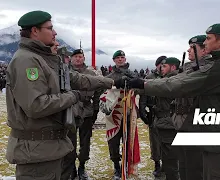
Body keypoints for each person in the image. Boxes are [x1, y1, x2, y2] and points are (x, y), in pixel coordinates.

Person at [124, 23, 220, 180]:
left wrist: (142, 84)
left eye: (208, 39)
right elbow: (177, 80)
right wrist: (142, 85)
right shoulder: (219, 64)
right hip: (210, 139)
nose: (206, 42)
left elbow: (179, 85)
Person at [5, 10, 117, 180]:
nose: (55, 33)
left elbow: (79, 79)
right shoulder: (27, 61)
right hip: (36, 152)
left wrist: (112, 82)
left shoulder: (45, 59)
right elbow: (36, 105)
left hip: (48, 148)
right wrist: (73, 96)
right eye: (50, 28)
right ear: (35, 31)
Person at [61, 49, 101, 180]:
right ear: (71, 59)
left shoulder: (91, 73)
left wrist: (95, 110)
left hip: (87, 111)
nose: (78, 59)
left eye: (80, 57)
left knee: (85, 143)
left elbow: (97, 93)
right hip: (71, 111)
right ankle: (71, 168)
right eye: (75, 57)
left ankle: (82, 167)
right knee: (70, 142)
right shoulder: (65, 73)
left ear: (84, 58)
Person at [174, 35, 211, 180]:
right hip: (184, 125)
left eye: (193, 47)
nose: (188, 50)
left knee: (195, 170)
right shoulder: (189, 69)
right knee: (183, 167)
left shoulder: (206, 69)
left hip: (196, 127)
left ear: (204, 50)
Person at [105, 50, 136, 180]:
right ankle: (117, 167)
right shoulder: (109, 76)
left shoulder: (132, 74)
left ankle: (127, 166)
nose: (120, 60)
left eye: (122, 57)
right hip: (113, 115)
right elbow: (104, 93)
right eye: (117, 58)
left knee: (129, 141)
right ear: (114, 60)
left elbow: (140, 89)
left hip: (128, 113)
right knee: (113, 142)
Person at [138, 55, 166, 177]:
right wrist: (142, 112)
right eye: (162, 64)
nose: (163, 67)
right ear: (157, 65)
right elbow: (144, 97)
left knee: (166, 140)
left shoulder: (169, 76)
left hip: (166, 114)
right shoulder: (150, 77)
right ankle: (157, 164)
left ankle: (166, 164)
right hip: (153, 113)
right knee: (155, 141)